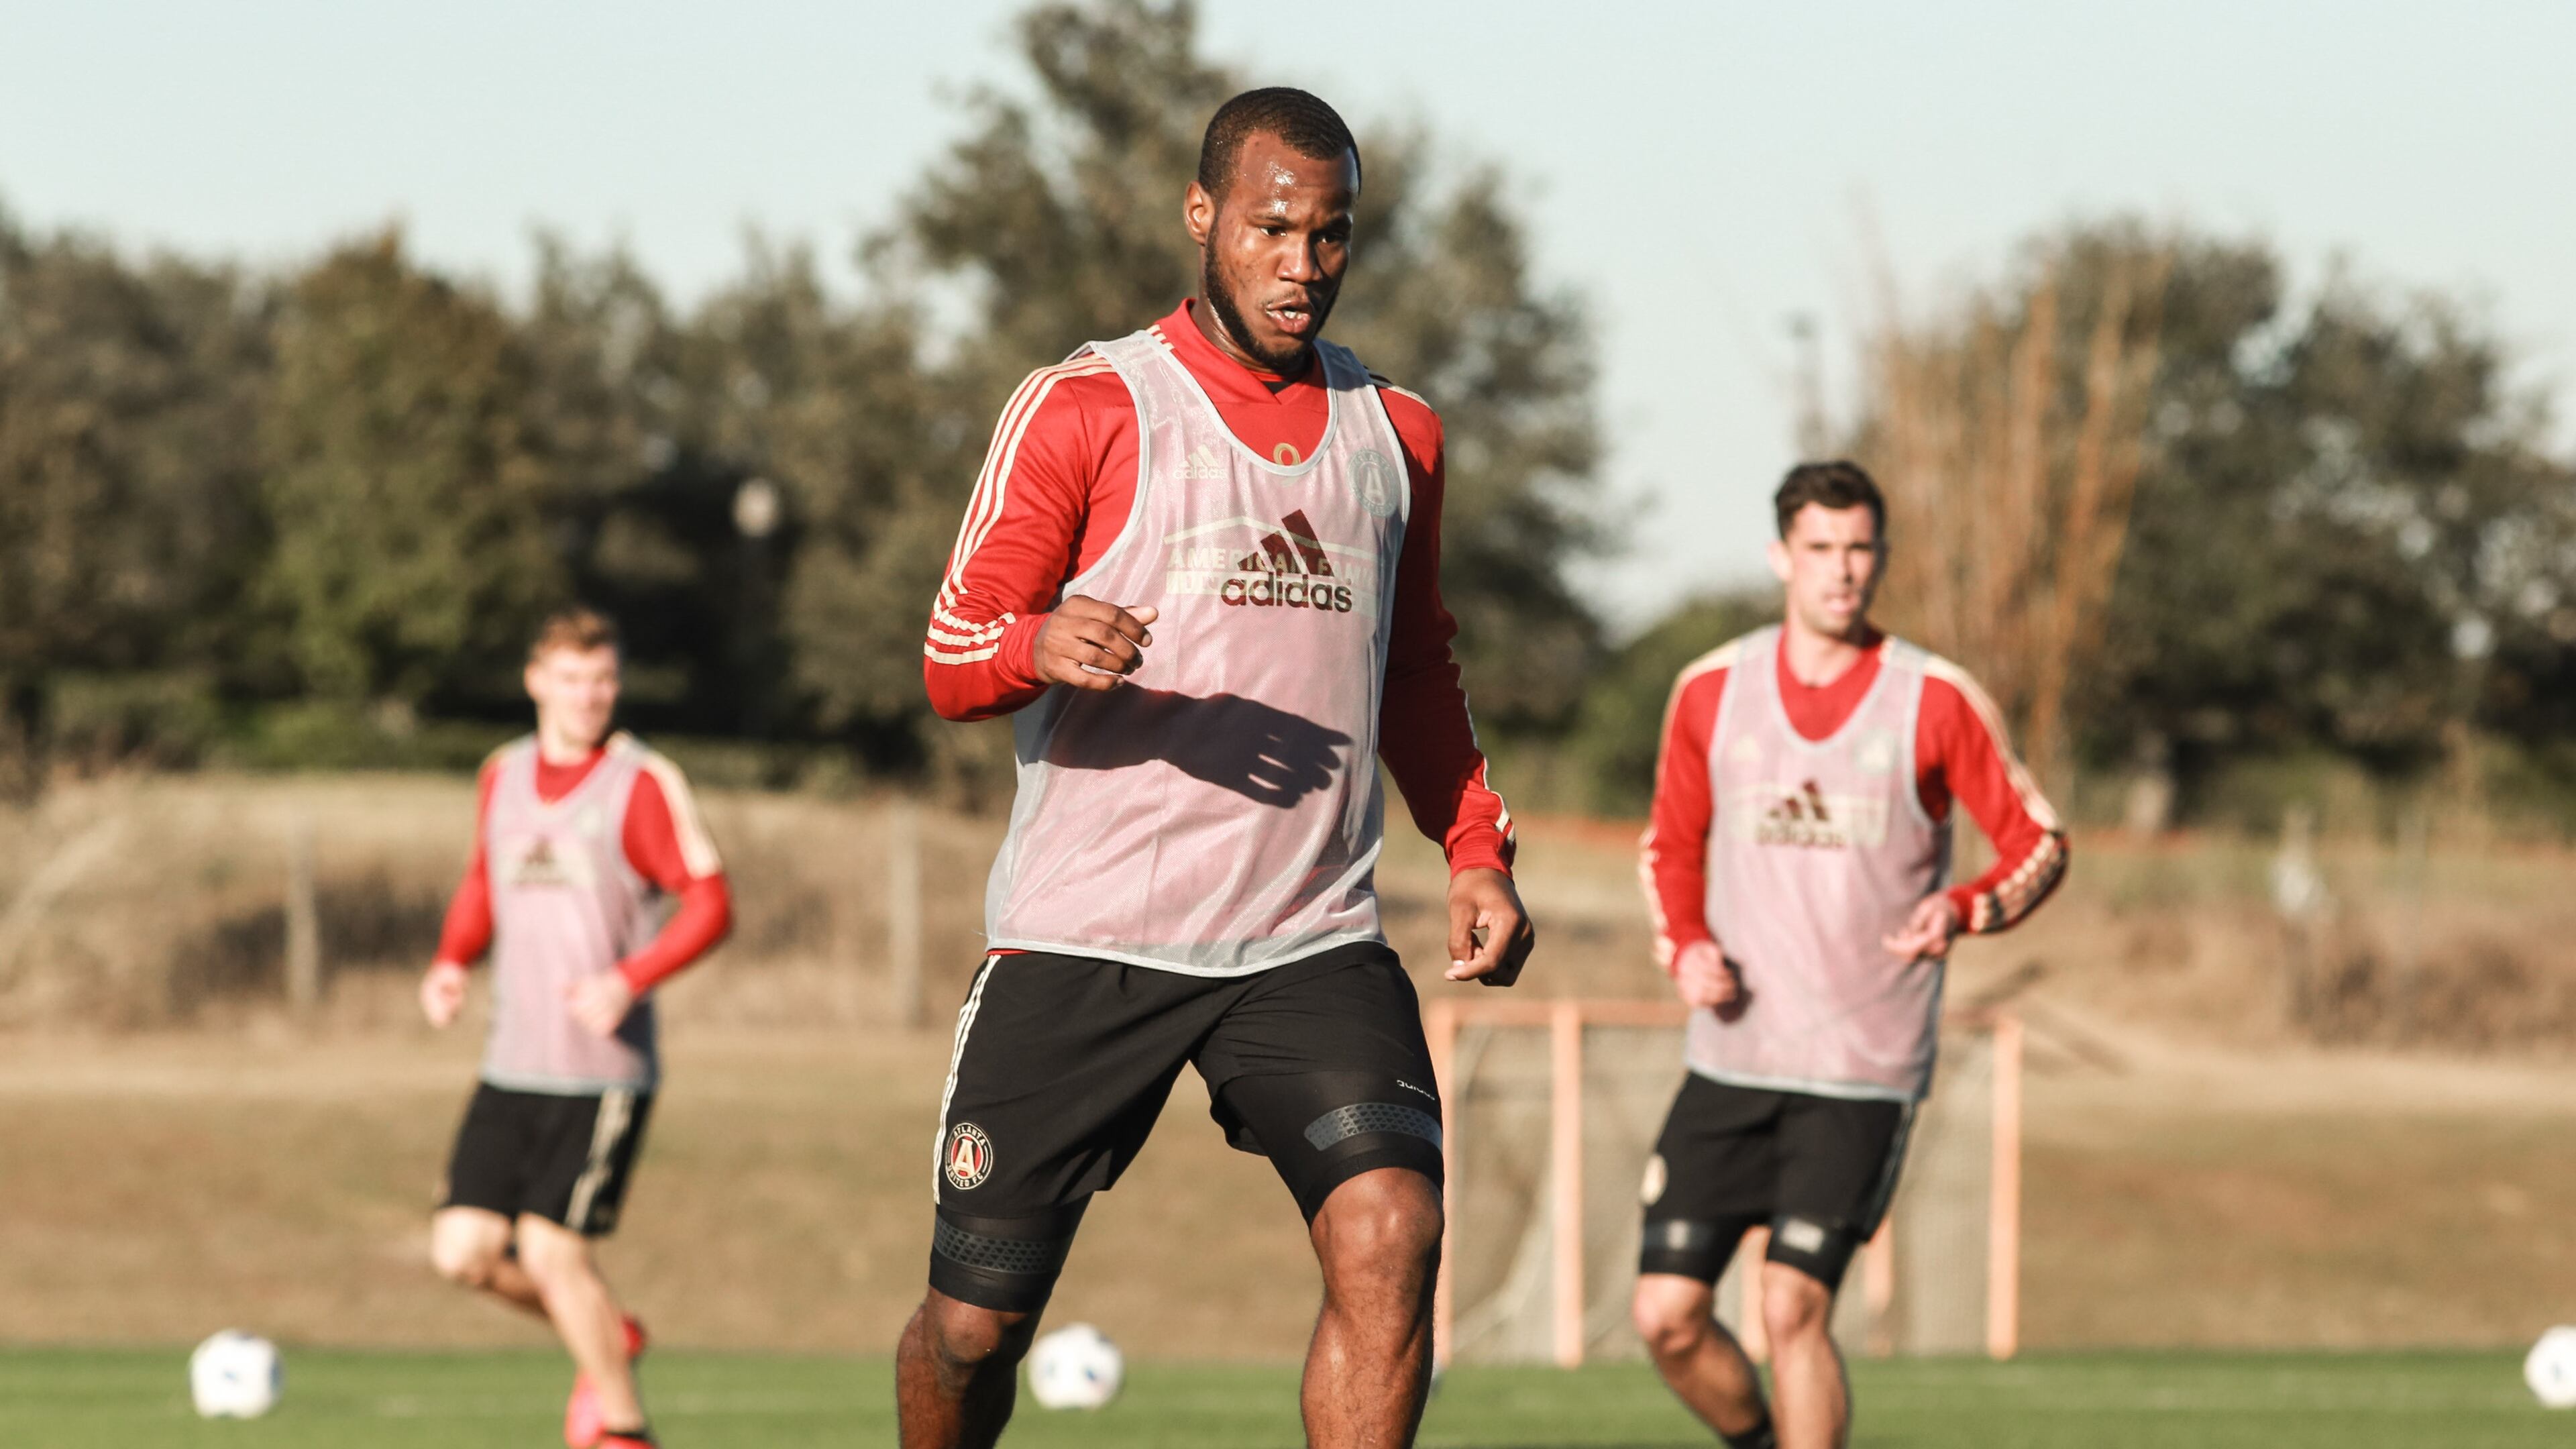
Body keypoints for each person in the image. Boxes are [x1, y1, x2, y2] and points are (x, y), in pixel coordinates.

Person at [902, 87, 1534, 1449]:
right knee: (972, 1330)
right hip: (1089, 936)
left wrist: (1473, 849)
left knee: (1393, 1227)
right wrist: (1039, 641)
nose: (1302, 264)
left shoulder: (1400, 437)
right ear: (1204, 218)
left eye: (1332, 234)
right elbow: (954, 653)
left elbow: (1416, 668)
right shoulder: (1089, 406)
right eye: (1271, 229)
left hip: (1305, 938)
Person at [1629, 462, 2067, 1449]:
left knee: (1791, 1306)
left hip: (1860, 1069)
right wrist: (1686, 946)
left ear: (1882, 558)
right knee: (1666, 1316)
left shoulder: (1936, 699)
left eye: (1860, 549)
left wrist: (1967, 907)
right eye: (1821, 550)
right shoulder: (1710, 692)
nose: (1843, 571)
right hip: (1731, 1058)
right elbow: (1668, 846)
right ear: (1782, 557)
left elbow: (2040, 843)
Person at [419, 607, 733, 1449]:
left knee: (557, 1255)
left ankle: (622, 1430)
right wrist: (452, 960)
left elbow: (710, 903)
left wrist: (630, 979)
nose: (589, 695)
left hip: (600, 1073)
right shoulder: (501, 774)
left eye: (603, 679)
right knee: (462, 1253)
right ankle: (606, 1328)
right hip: (510, 1062)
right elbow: (484, 879)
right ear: (535, 681)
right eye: (571, 678)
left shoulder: (638, 782)